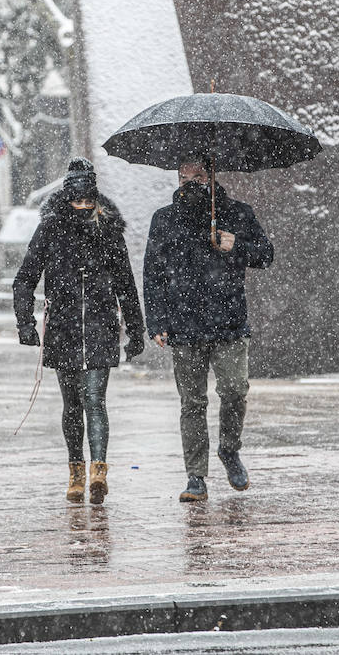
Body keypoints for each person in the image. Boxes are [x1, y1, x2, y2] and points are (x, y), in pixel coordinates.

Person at [13, 157, 144, 504]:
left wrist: (136, 329)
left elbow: (126, 284)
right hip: (64, 326)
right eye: (78, 200)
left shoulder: (109, 229)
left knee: (94, 399)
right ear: (68, 197)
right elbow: (25, 277)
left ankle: (99, 469)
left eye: (89, 200)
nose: (84, 206)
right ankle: (75, 470)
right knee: (72, 403)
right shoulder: (51, 230)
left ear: (96, 198)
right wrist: (24, 321)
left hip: (101, 323)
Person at [143, 158, 273, 502]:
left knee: (234, 391)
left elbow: (266, 254)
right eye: (184, 177)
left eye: (198, 176)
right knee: (192, 402)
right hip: (184, 325)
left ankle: (229, 450)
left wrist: (236, 246)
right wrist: (155, 320)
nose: (190, 182)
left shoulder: (237, 213)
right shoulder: (165, 219)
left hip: (229, 321)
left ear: (213, 175)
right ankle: (196, 475)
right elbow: (152, 273)